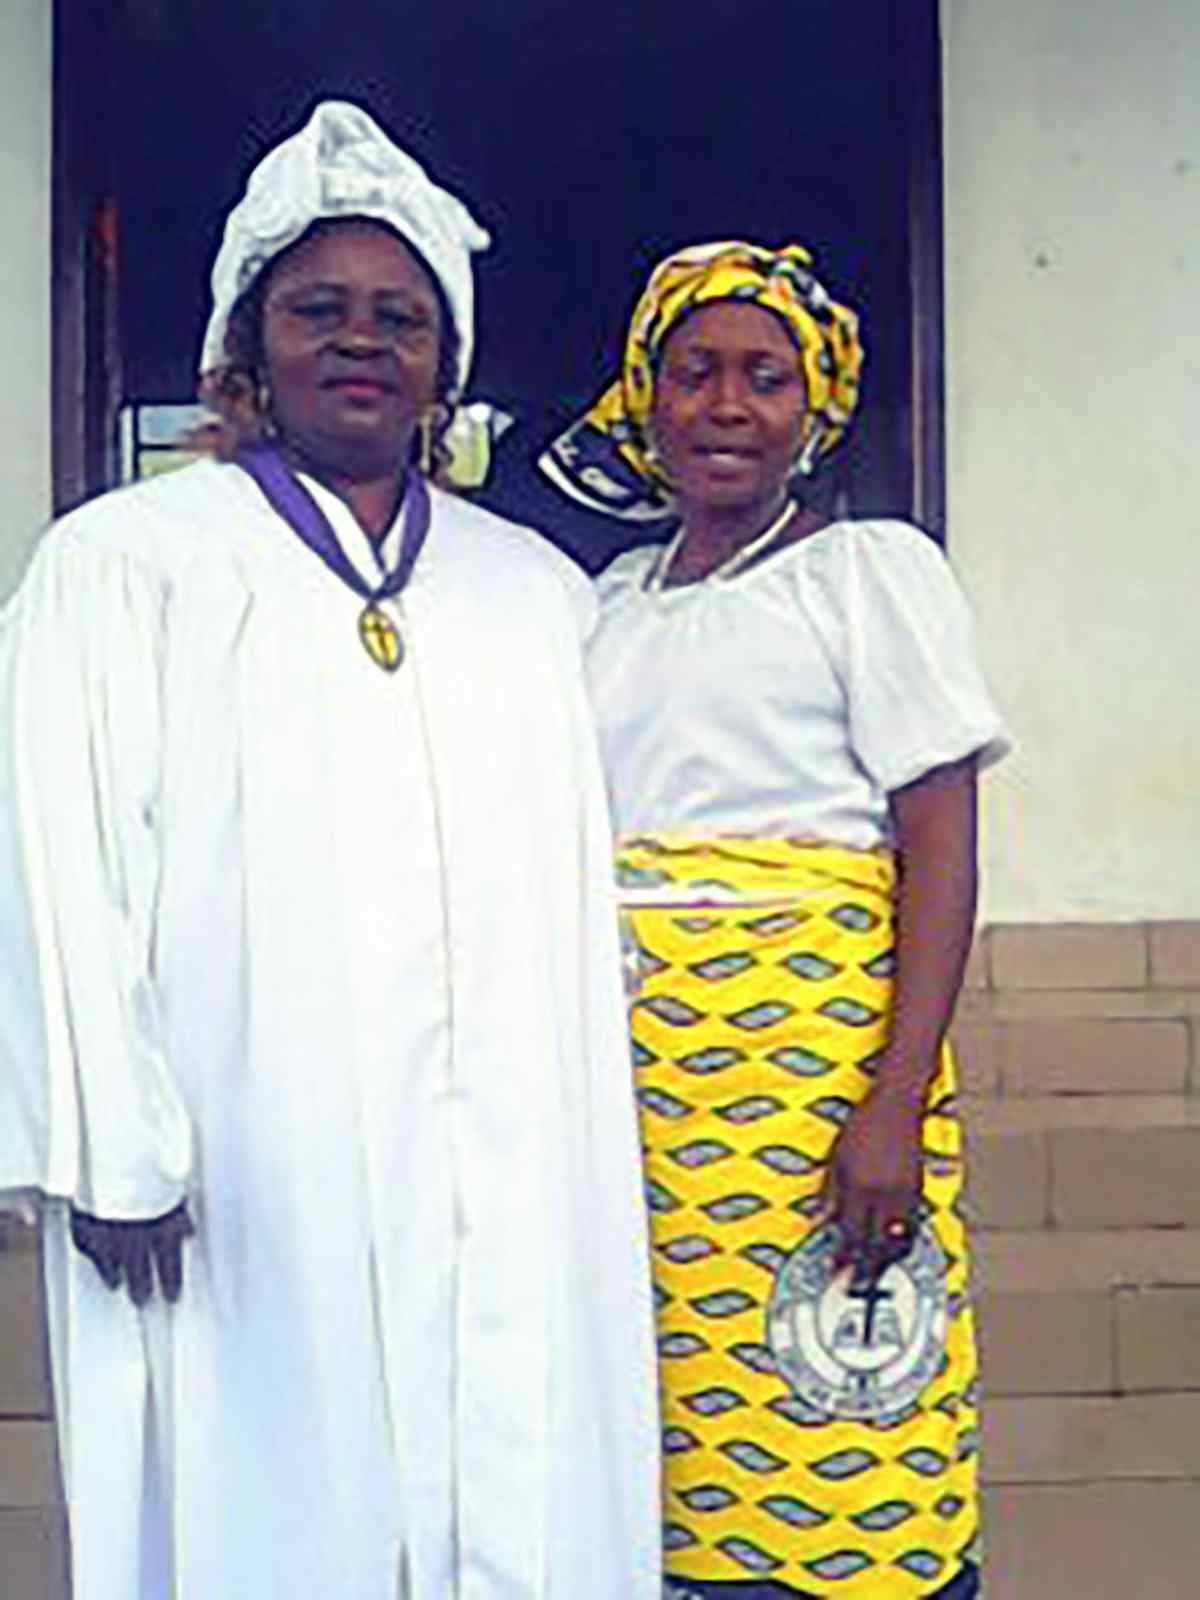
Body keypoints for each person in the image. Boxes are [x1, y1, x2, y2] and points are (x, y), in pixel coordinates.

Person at [0, 101, 659, 1600]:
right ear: (248, 343)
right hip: (242, 1174)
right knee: (272, 1500)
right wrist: (112, 1141)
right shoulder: (125, 565)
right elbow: (54, 860)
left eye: (401, 318)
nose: (362, 341)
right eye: (318, 310)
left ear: (446, 363)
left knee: (515, 1480)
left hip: (511, 1156)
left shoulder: (533, 593)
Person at [540, 241, 1009, 1600]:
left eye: (765, 376)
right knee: (669, 1420)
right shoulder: (605, 607)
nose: (728, 405)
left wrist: (894, 1103)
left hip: (814, 1089)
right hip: (643, 1103)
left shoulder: (868, 573)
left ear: (816, 408)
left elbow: (941, 850)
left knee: (840, 1397)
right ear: (646, 397)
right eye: (695, 373)